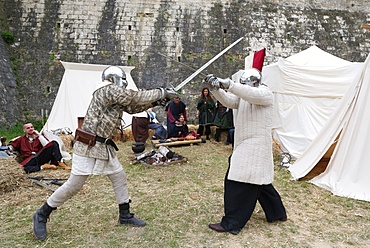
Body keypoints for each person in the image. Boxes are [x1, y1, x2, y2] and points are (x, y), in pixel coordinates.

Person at [32, 66, 179, 240]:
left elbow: (132, 108)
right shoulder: (106, 90)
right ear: (114, 80)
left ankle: (124, 214)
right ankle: (42, 213)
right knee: (75, 184)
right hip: (87, 145)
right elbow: (134, 97)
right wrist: (161, 92)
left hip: (104, 147)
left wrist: (157, 102)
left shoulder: (114, 96)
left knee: (119, 176)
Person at [204, 68, 287, 235]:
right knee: (260, 181)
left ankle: (232, 222)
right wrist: (216, 88)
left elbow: (251, 94)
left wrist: (230, 84)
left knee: (237, 182)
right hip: (244, 144)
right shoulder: (243, 96)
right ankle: (277, 213)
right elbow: (228, 101)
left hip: (255, 145)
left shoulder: (265, 93)